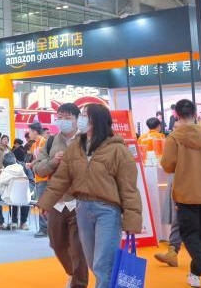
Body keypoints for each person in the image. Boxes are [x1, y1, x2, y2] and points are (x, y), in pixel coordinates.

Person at [38, 103, 142, 288]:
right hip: (82, 209)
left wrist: (132, 220)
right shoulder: (75, 147)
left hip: (107, 212)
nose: (81, 119)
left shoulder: (118, 149)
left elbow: (129, 189)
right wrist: (46, 202)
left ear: (97, 120)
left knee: (103, 263)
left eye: (86, 115)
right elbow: (61, 179)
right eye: (82, 115)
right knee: (93, 262)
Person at [160, 99, 201, 288]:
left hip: (186, 193)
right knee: (200, 237)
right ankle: (194, 275)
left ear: (176, 115)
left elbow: (167, 165)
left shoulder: (174, 138)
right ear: (196, 113)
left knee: (189, 235)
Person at [33, 103, 88, 288]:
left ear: (77, 120)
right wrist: (53, 161)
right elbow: (38, 168)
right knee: (57, 244)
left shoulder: (86, 140)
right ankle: (72, 273)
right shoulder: (50, 141)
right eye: (60, 118)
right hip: (56, 201)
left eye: (68, 118)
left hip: (79, 200)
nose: (63, 121)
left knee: (78, 246)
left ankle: (79, 283)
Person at [26, 122, 49, 238]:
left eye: (30, 131)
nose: (28, 134)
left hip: (45, 177)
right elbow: (37, 159)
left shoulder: (44, 142)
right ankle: (46, 228)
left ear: (35, 131)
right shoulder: (34, 145)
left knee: (42, 203)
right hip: (38, 177)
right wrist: (31, 164)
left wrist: (33, 164)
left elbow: (45, 159)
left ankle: (44, 228)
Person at [0, 152, 28, 230]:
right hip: (23, 197)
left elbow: (0, 190)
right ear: (15, 160)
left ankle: (0, 222)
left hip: (10, 198)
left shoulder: (4, 173)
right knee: (18, 196)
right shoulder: (22, 169)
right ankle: (22, 222)